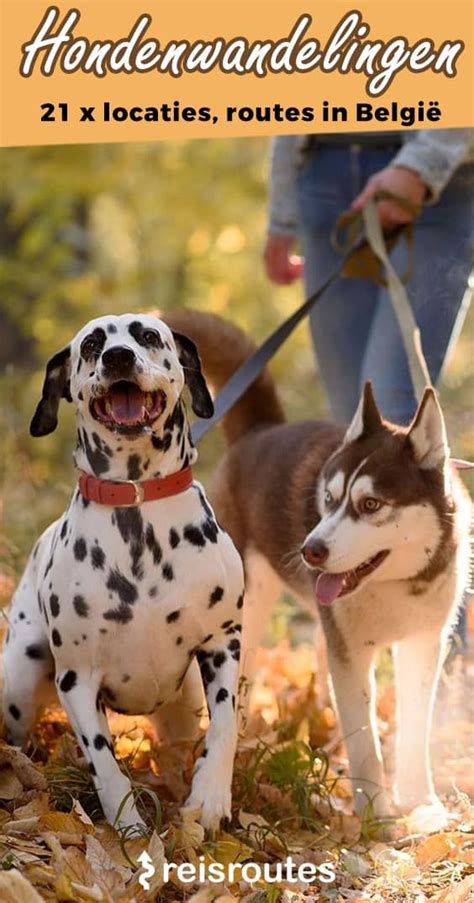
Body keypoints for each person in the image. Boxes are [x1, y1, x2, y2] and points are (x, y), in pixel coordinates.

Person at [264, 129, 473, 426]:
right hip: (323, 170)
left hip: (440, 184)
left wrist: (422, 165)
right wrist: (281, 217)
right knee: (351, 421)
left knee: (391, 410)